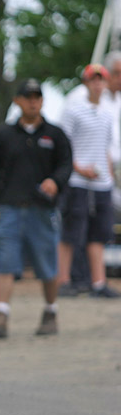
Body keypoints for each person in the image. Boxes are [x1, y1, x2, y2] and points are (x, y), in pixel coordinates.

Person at [0, 78, 72, 338]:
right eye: (28, 96)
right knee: (6, 261)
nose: (33, 101)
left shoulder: (55, 135)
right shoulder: (2, 135)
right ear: (17, 101)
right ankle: (1, 313)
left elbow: (66, 165)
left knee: (46, 264)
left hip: (43, 211)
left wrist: (56, 181)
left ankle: (50, 311)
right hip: (10, 209)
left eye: (37, 96)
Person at [57, 64, 119, 299]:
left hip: (101, 182)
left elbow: (106, 147)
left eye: (101, 80)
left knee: (99, 233)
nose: (97, 84)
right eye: (93, 80)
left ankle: (98, 282)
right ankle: (64, 280)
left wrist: (108, 173)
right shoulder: (73, 110)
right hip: (77, 180)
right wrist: (79, 169)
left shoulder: (107, 113)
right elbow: (64, 146)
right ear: (86, 83)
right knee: (71, 231)